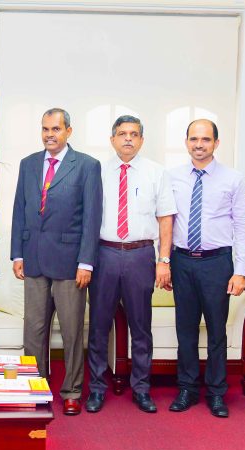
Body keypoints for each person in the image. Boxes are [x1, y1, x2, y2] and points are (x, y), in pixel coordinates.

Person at [11, 108, 102, 416]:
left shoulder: (87, 166)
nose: (50, 134)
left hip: (70, 263)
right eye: (45, 129)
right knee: (34, 330)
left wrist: (86, 262)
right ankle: (36, 386)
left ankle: (72, 391)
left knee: (72, 331)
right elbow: (20, 210)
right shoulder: (28, 164)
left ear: (68, 131)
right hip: (34, 259)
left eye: (56, 129)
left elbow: (92, 217)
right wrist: (18, 253)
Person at [86, 116, 177, 414]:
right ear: (112, 139)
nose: (128, 138)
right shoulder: (97, 171)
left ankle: (141, 388)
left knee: (141, 327)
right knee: (98, 327)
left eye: (134, 134)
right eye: (122, 134)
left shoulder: (156, 172)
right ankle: (96, 388)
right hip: (104, 254)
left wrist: (164, 260)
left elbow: (166, 219)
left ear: (142, 140)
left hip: (141, 255)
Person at [168, 119, 245, 418]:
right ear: (186, 142)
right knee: (185, 329)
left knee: (216, 331)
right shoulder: (172, 177)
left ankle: (217, 393)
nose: (199, 144)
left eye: (205, 139)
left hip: (217, 263)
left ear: (216, 143)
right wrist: (163, 261)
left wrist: (240, 270)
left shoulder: (233, 179)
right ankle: (187, 389)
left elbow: (243, 227)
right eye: (194, 139)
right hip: (182, 261)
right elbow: (165, 222)